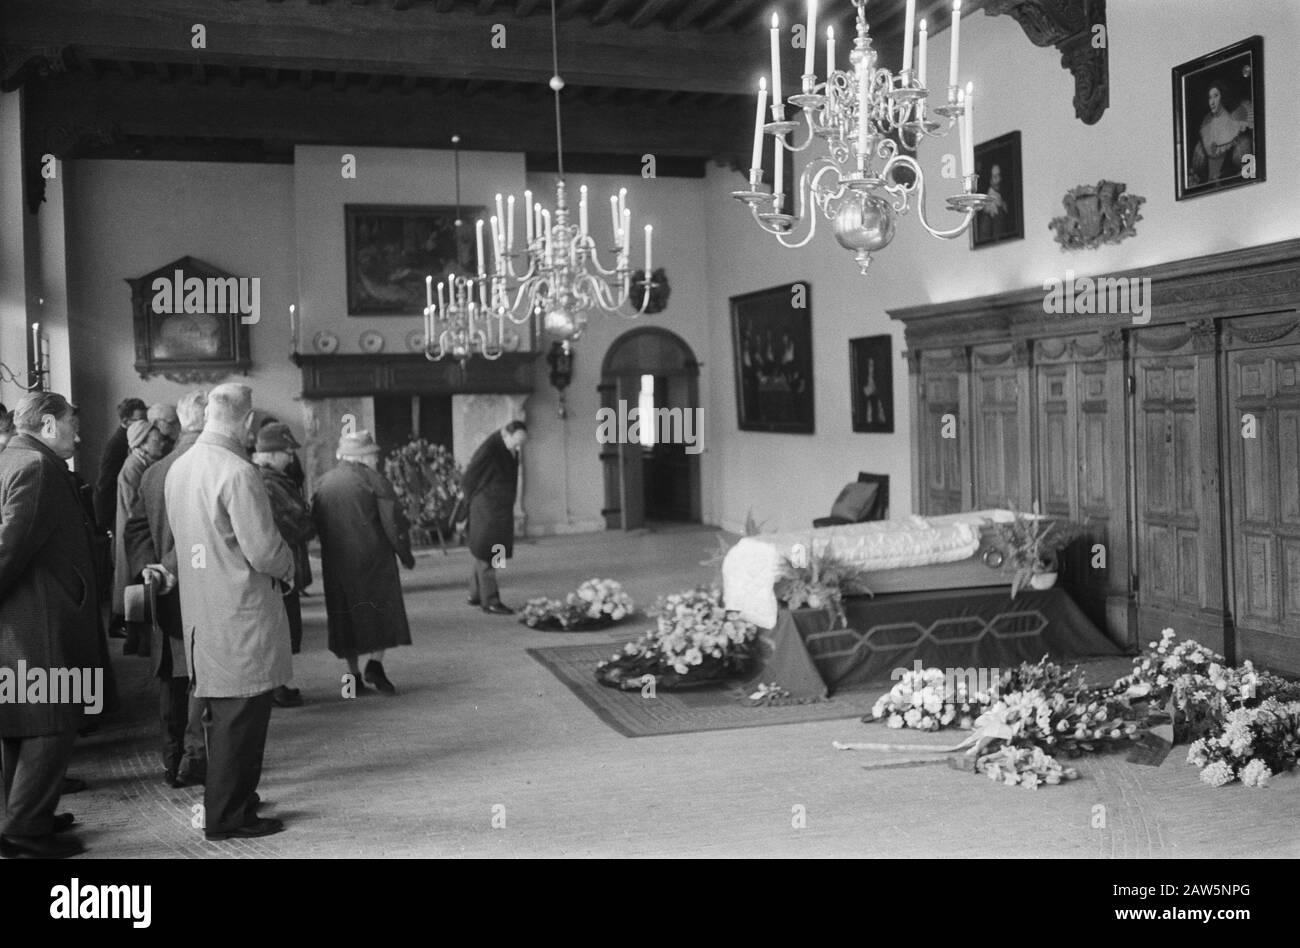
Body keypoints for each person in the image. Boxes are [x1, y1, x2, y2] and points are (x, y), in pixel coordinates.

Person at [162, 383, 295, 841]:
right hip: (241, 610)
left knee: (223, 718)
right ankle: (228, 816)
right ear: (246, 420)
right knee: (244, 718)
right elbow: (262, 550)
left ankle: (236, 800)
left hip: (202, 611)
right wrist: (291, 566)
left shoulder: (180, 468)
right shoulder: (238, 472)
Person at [0, 392, 102, 859]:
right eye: (70, 425)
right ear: (46, 424)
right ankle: (24, 833)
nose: (76, 435)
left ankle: (23, 816)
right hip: (39, 620)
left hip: (26, 617)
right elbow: (8, 548)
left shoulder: (14, 457)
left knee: (23, 725)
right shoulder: (37, 468)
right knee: (51, 725)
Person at [123, 390, 209, 788]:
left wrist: (150, 569)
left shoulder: (155, 470)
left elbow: (135, 527)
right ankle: (195, 759)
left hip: (163, 592)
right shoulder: (211, 466)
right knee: (202, 676)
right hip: (205, 589)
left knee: (170, 676)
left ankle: (171, 757)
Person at [311, 430, 414, 695]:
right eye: (373, 454)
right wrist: (405, 554)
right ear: (363, 456)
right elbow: (392, 524)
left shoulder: (323, 482)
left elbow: (315, 524)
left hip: (336, 564)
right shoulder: (375, 481)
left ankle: (352, 676)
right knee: (380, 614)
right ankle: (375, 666)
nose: (376, 459)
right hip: (374, 561)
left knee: (345, 617)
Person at [253, 423, 314, 708]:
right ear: (271, 453)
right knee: (279, 631)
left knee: (284, 630)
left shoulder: (274, 479)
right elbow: (295, 524)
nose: (291, 457)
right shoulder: (268, 483)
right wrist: (310, 518)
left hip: (285, 566)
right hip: (280, 568)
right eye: (287, 452)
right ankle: (276, 687)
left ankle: (279, 685)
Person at [115, 416, 173, 657]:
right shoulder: (134, 467)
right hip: (134, 537)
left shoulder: (144, 463)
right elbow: (134, 509)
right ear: (141, 443)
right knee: (138, 589)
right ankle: (140, 643)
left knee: (138, 590)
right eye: (155, 439)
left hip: (134, 535)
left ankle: (138, 642)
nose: (161, 443)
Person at [460, 421, 527, 615]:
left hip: (498, 511)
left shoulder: (507, 445)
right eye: (516, 442)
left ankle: (474, 594)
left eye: (521, 443)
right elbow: (468, 479)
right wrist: (469, 507)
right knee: (489, 554)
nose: (518, 447)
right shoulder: (489, 449)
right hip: (487, 511)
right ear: (506, 434)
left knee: (488, 553)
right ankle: (491, 601)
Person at [94, 397, 147, 532]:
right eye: (140, 420)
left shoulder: (128, 439)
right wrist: (104, 522)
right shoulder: (116, 446)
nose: (144, 424)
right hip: (117, 512)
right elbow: (105, 485)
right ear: (125, 421)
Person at [1191, 80, 1254, 184]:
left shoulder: (1237, 123)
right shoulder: (1206, 128)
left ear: (1223, 97)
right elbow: (1199, 172)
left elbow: (1247, 173)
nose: (1212, 101)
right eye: (1210, 97)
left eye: (1216, 96)